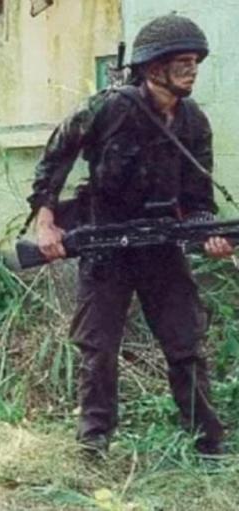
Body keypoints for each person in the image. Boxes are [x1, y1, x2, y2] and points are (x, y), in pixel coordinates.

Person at [28, 14, 230, 456]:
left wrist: (209, 237)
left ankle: (208, 441)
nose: (192, 69)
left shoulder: (194, 122)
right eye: (182, 61)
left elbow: (199, 200)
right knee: (98, 347)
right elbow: (55, 155)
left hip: (161, 247)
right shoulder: (109, 107)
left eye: (195, 61)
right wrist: (46, 220)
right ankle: (94, 440)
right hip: (106, 241)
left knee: (185, 341)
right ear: (153, 66)